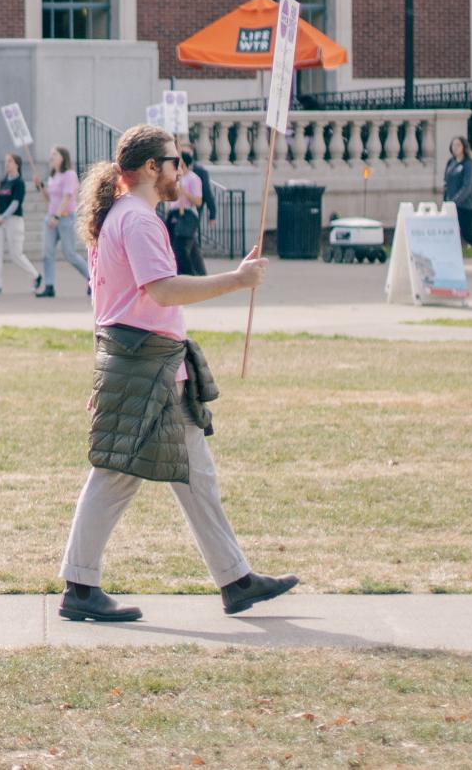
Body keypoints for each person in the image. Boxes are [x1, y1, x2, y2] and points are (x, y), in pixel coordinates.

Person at [57, 123, 298, 624]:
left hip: (146, 363)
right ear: (150, 169)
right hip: (148, 366)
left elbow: (107, 304)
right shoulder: (140, 221)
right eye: (174, 161)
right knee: (117, 474)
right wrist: (237, 280)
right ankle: (80, 586)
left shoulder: (117, 218)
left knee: (194, 474)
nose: (180, 170)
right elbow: (162, 291)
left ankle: (235, 580)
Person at [37, 146, 90, 296]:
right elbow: (50, 199)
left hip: (65, 218)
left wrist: (57, 216)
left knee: (70, 254)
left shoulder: (70, 175)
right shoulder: (53, 175)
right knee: (47, 253)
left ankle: (92, 278)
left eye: (54, 154)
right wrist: (41, 188)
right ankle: (49, 286)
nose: (51, 157)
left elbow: (67, 197)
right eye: (51, 154)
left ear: (63, 157)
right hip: (51, 218)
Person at [0, 152, 41, 292]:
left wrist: (4, 217)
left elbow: (15, 203)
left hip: (13, 220)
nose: (7, 164)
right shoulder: (3, 181)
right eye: (6, 161)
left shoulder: (19, 183)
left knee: (16, 254)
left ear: (17, 164)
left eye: (10, 161)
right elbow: (0, 200)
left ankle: (36, 275)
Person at [166, 154, 208, 277]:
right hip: (174, 214)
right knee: (189, 247)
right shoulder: (175, 178)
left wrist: (185, 193)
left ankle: (187, 274)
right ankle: (200, 274)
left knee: (181, 247)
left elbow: (198, 202)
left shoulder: (193, 179)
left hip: (187, 215)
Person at [447, 136, 472, 250]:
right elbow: (447, 182)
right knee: (449, 233)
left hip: (465, 205)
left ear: (464, 147)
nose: (455, 147)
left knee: (468, 235)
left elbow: (467, 186)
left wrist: (455, 201)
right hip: (451, 204)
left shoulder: (469, 164)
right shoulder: (451, 162)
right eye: (453, 145)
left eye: (458, 145)